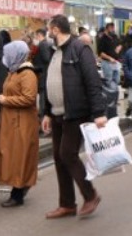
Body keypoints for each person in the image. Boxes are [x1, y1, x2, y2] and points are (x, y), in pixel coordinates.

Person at [41, 14, 106, 220]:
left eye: (49, 29)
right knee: (59, 158)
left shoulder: (79, 49)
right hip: (58, 113)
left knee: (67, 154)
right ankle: (67, 204)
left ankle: (90, 194)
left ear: (56, 29)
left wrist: (99, 113)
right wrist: (47, 113)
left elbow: (93, 81)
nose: (47, 32)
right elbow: (49, 83)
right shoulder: (55, 52)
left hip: (75, 112)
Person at [0, 41, 39, 208]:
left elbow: (29, 98)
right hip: (12, 121)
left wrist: (6, 99)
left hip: (21, 122)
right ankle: (18, 187)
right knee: (11, 155)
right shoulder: (14, 71)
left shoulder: (27, 74)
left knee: (19, 157)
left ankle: (17, 192)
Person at [32, 28, 53, 125]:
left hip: (43, 75)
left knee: (43, 100)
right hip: (43, 75)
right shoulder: (44, 44)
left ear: (39, 35)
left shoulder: (43, 45)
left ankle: (43, 122)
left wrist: (36, 67)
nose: (35, 38)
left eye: (36, 35)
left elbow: (46, 59)